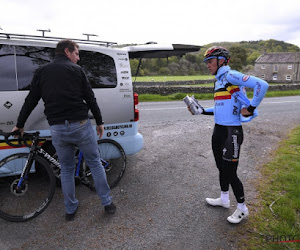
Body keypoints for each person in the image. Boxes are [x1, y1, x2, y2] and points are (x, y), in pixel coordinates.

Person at [12, 39, 116, 221]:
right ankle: (107, 203)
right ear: (67, 52)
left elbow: (31, 100)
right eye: (76, 53)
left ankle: (70, 210)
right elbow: (90, 98)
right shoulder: (77, 71)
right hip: (81, 125)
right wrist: (99, 121)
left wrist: (20, 124)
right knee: (95, 163)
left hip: (58, 129)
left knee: (67, 169)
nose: (78, 58)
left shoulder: (42, 72)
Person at [188, 46, 268, 224]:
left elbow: (262, 85)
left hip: (232, 131)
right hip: (219, 130)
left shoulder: (230, 75)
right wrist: (200, 111)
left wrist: (251, 108)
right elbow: (219, 108)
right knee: (221, 167)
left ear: (222, 60)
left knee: (231, 172)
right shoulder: (218, 81)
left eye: (210, 61)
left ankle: (242, 209)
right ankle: (224, 199)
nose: (207, 65)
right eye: (206, 62)